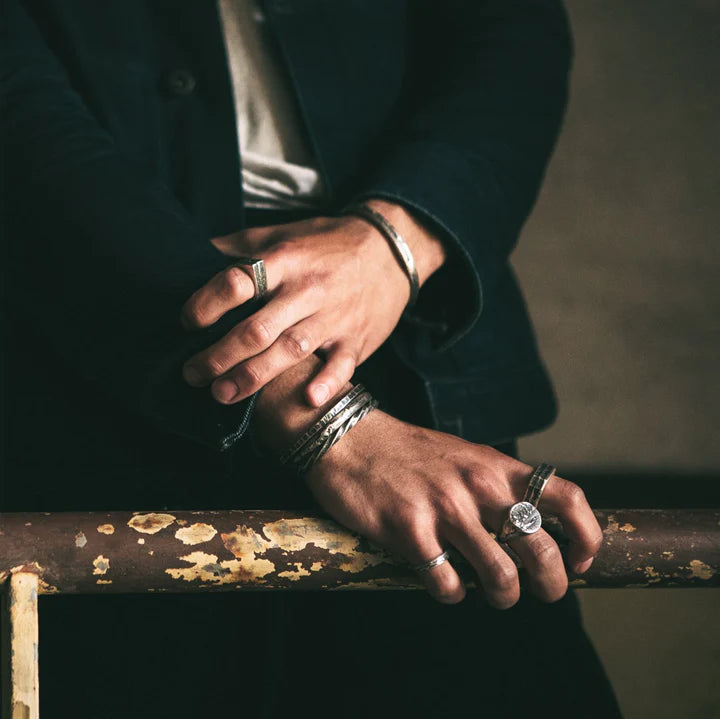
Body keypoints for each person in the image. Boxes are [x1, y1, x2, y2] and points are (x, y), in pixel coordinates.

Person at [1, 0, 621, 716]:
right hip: (91, 381)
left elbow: (509, 31)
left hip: (420, 377)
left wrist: (396, 244)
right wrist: (323, 415)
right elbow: (21, 119)